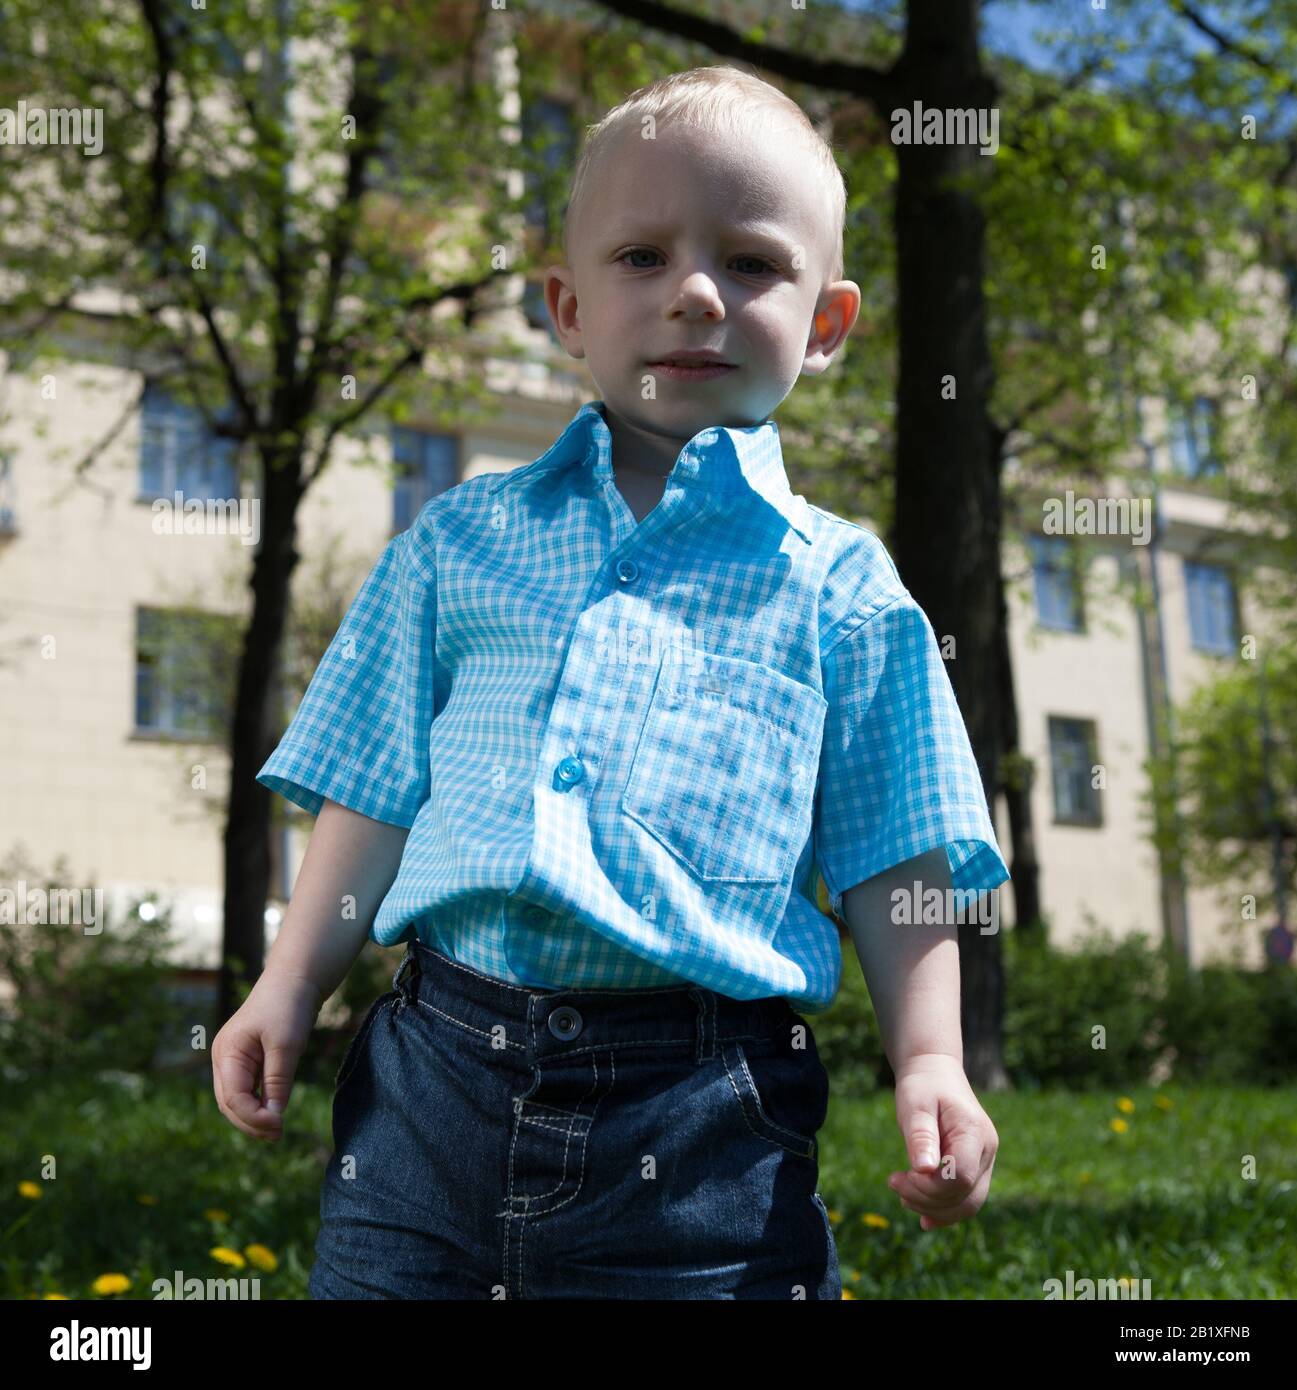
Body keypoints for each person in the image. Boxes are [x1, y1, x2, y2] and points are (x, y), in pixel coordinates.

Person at [212, 63, 1010, 1300]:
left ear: (827, 321)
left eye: (750, 264)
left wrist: (932, 1059)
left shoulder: (846, 589)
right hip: (432, 1091)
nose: (695, 293)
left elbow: (894, 851)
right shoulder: (454, 542)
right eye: (642, 257)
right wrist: (287, 980)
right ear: (567, 307)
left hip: (705, 1132)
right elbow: (371, 791)